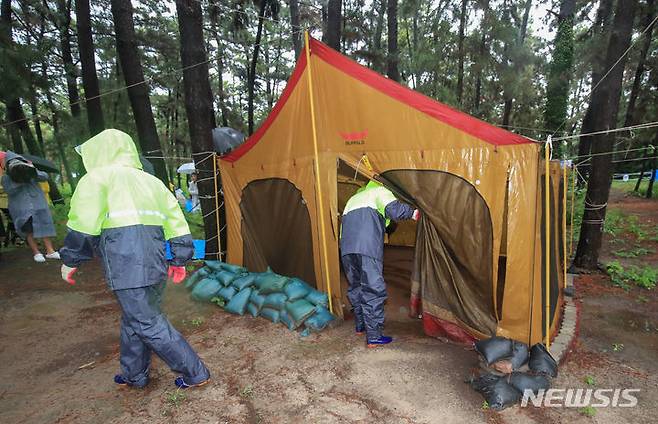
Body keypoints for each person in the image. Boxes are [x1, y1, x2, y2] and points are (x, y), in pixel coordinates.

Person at [59, 129, 210, 389]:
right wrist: (179, 260)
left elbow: (83, 226)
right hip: (154, 258)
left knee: (146, 321)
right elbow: (176, 222)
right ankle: (134, 374)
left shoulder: (96, 179)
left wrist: (71, 260)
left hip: (125, 262)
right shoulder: (151, 181)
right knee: (134, 318)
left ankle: (196, 372)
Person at [340, 180, 419, 348]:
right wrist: (413, 213)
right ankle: (374, 336)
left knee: (356, 286)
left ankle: (361, 325)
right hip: (367, 245)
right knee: (372, 288)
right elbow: (394, 209)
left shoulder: (353, 199)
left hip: (346, 247)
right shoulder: (379, 191)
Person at [0, 151, 60, 262]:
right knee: (28, 230)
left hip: (38, 205)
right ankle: (36, 252)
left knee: (45, 226)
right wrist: (20, 179)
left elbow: (45, 176)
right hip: (22, 208)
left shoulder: (31, 170)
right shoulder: (6, 177)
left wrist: (31, 172)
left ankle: (50, 251)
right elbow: (10, 190)